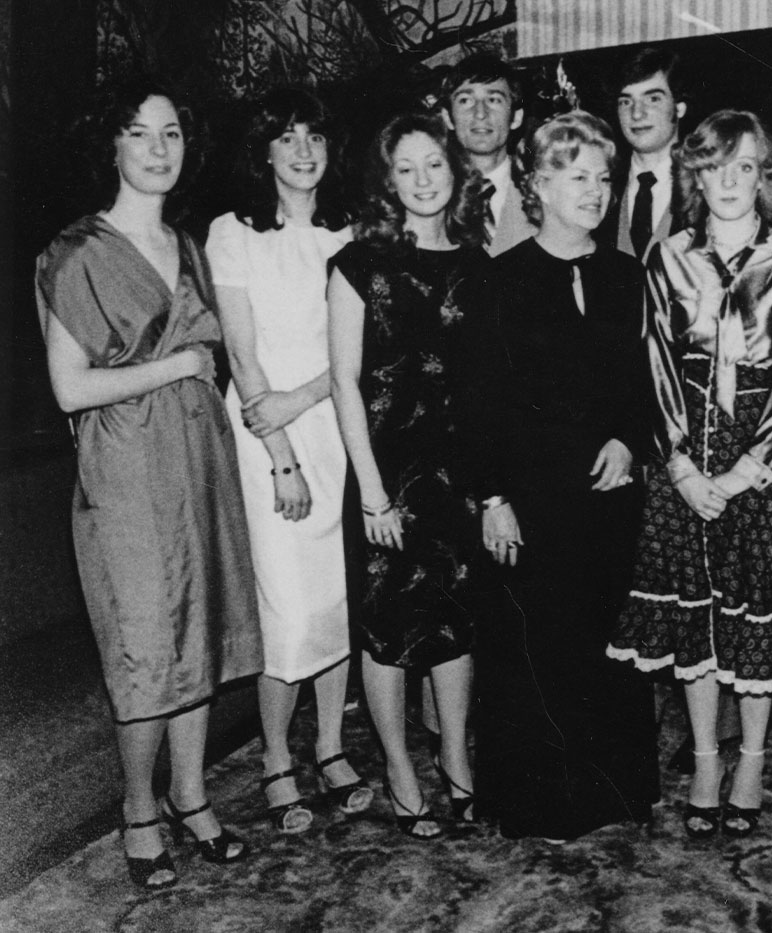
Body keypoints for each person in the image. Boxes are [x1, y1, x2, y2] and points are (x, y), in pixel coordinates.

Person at [36, 77, 260, 889]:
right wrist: (176, 364)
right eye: (140, 134)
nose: (159, 149)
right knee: (143, 647)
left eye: (171, 134)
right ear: (113, 145)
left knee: (198, 632)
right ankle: (139, 808)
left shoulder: (193, 247)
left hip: (199, 459)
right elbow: (69, 388)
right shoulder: (73, 254)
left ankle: (193, 798)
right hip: (126, 471)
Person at [608, 110, 772, 840]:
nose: (730, 183)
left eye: (746, 167)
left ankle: (754, 759)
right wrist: (680, 463)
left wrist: (744, 471)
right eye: (714, 168)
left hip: (761, 454)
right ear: (693, 175)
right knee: (693, 612)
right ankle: (704, 759)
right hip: (685, 450)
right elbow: (655, 364)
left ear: (766, 177)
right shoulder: (667, 256)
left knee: (755, 611)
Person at [467, 111, 659, 841]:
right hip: (533, 498)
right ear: (537, 185)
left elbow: (642, 380)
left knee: (606, 641)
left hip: (608, 494)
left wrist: (628, 440)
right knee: (536, 650)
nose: (595, 189)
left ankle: (614, 792)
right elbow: (481, 400)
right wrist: (493, 498)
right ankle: (542, 803)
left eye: (603, 176)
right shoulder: (502, 280)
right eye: (575, 175)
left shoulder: (624, 273)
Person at [208, 87, 372, 834]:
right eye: (287, 136)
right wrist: (279, 454)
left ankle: (332, 746)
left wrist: (311, 399)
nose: (303, 150)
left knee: (337, 595)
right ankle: (276, 756)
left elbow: (357, 357)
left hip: (336, 425)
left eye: (316, 136)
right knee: (287, 603)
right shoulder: (232, 233)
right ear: (264, 151)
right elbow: (241, 356)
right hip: (265, 435)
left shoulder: (352, 233)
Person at [327, 111, 488, 840]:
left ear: (453, 171)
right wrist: (371, 490)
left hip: (454, 474)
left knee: (455, 622)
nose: (424, 180)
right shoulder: (357, 264)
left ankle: (455, 753)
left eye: (434, 164)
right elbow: (343, 382)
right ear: (387, 182)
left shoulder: (478, 263)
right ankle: (398, 767)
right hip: (384, 473)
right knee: (388, 629)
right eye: (406, 168)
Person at [598, 46, 687, 262]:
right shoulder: (599, 187)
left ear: (680, 107)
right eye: (626, 101)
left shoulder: (707, 186)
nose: (637, 113)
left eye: (653, 99)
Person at [439, 52, 532, 257]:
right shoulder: (431, 194)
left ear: (516, 117)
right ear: (448, 117)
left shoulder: (541, 189)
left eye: (494, 99)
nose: (480, 113)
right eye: (465, 100)